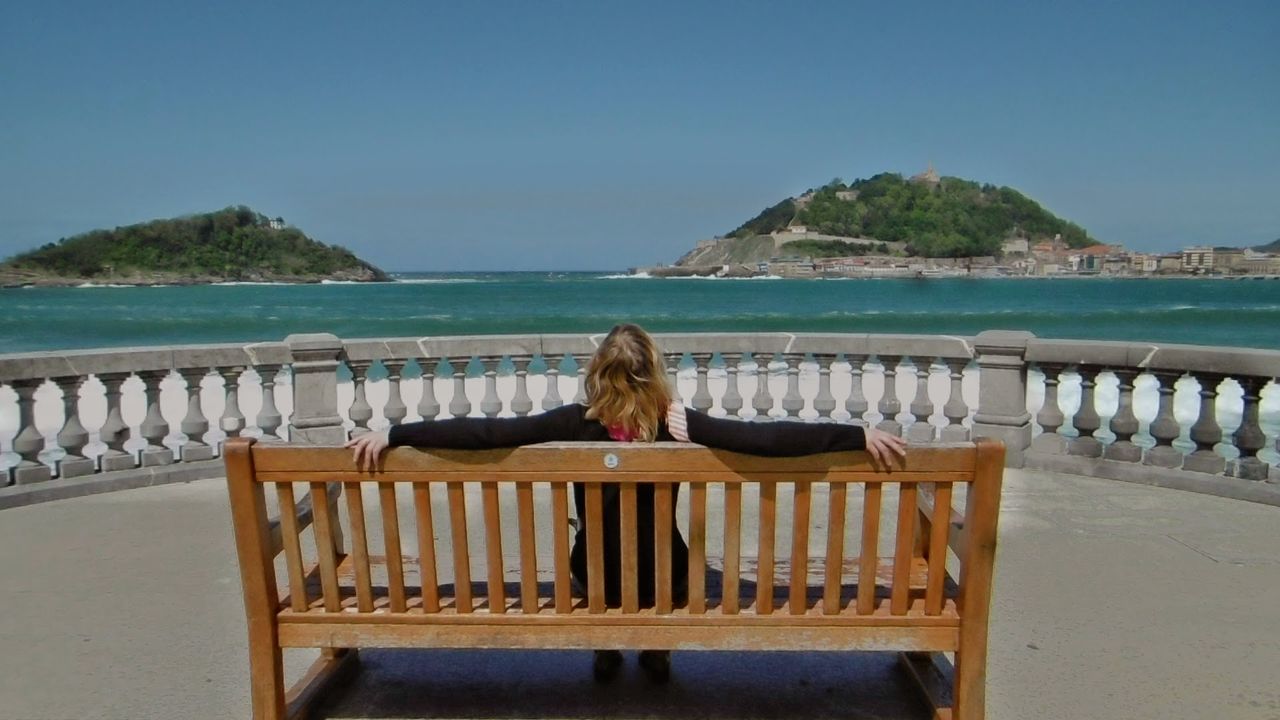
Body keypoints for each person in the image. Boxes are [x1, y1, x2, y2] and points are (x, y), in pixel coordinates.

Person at [347, 323, 906, 683]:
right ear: (654, 374)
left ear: (597, 376)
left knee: (599, 553)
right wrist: (854, 434)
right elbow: (768, 440)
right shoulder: (678, 426)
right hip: (668, 581)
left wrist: (397, 434)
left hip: (592, 579)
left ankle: (608, 642)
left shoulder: (574, 423)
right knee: (667, 557)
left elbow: (488, 433)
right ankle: (655, 648)